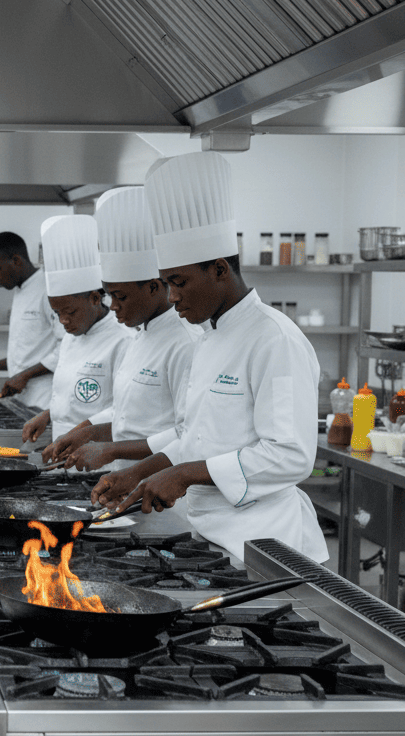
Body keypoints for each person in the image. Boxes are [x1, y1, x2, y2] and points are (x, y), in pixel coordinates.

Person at [91, 151, 328, 562]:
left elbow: (290, 455)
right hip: (210, 536)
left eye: (179, 282)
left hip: (266, 545)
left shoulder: (274, 339)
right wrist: (138, 472)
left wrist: (184, 474)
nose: (172, 296)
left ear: (219, 269)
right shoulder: (207, 337)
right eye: (167, 283)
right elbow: (195, 437)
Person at [53, 187, 199, 472]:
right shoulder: (141, 335)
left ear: (154, 287)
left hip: (161, 485)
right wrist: (88, 431)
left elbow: (188, 433)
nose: (114, 307)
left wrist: (111, 450)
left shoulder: (185, 342)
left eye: (121, 296)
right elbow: (127, 418)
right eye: (110, 296)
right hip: (127, 481)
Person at [20, 215, 131, 460]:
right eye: (57, 313)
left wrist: (77, 433)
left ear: (95, 298)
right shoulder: (72, 335)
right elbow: (70, 397)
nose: (63, 321)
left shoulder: (123, 339)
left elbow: (125, 410)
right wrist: (48, 415)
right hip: (63, 454)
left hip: (99, 459)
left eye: (70, 312)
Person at [0, 230, 60, 407]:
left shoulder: (48, 291)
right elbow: (29, 351)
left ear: (17, 260)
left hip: (44, 398)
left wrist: (25, 375)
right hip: (22, 397)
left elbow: (66, 348)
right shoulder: (20, 290)